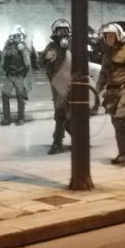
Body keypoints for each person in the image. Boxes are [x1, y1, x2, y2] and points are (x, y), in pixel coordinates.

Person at [96, 22, 125, 165]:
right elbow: (103, 74)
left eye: (112, 36)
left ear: (118, 36)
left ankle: (124, 154)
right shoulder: (107, 54)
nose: (109, 39)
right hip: (111, 93)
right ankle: (124, 152)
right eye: (107, 36)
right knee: (116, 123)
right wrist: (96, 90)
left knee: (120, 120)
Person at [42, 18, 72, 154]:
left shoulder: (73, 45)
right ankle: (79, 140)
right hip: (56, 84)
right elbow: (41, 63)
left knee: (60, 112)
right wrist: (47, 58)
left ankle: (57, 142)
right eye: (60, 31)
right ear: (55, 32)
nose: (63, 33)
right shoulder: (51, 47)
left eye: (65, 30)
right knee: (65, 114)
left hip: (70, 84)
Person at [0, 25, 32, 126]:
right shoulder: (8, 46)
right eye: (16, 36)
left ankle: (21, 117)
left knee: (20, 96)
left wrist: (23, 49)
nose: (17, 38)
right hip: (9, 75)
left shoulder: (23, 47)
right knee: (5, 95)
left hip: (19, 75)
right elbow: (3, 59)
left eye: (19, 36)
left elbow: (27, 62)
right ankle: (7, 118)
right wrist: (1, 71)